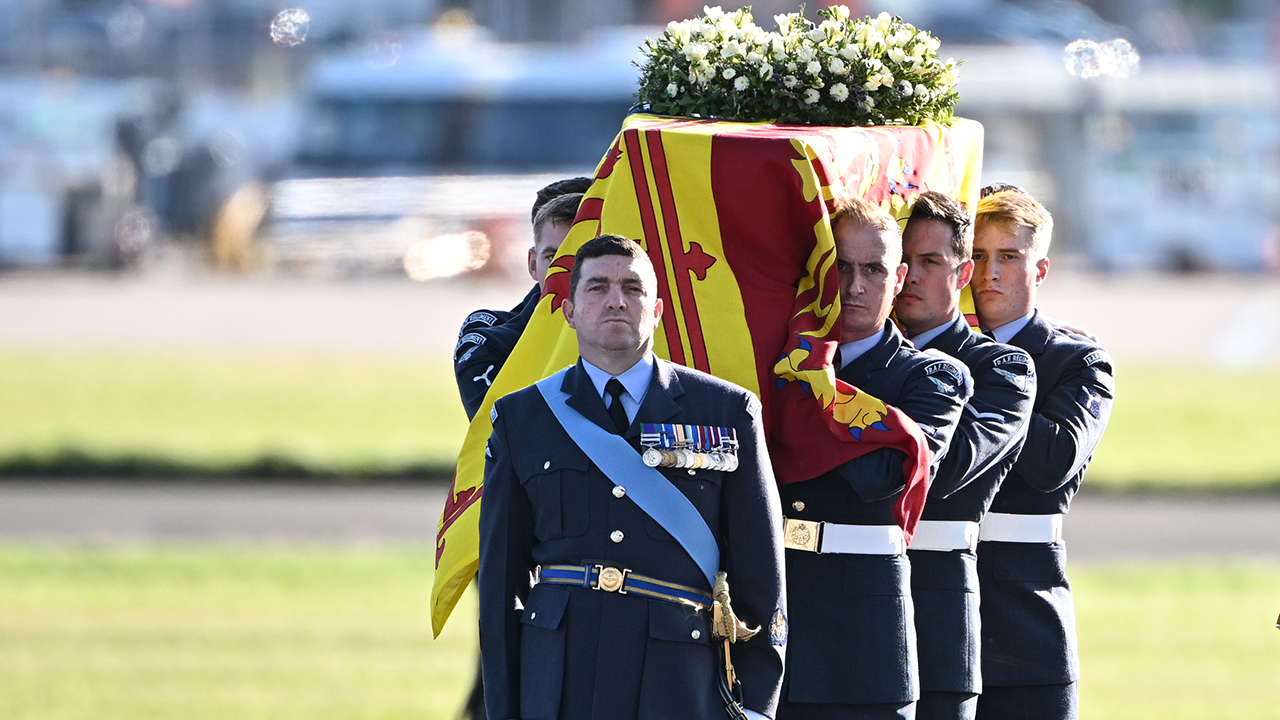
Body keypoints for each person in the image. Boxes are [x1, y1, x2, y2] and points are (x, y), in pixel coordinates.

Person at [478, 235, 787, 720]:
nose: (617, 300)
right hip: (558, 678)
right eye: (597, 287)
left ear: (659, 309)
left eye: (633, 288)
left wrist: (756, 707)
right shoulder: (523, 418)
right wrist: (504, 707)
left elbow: (761, 582)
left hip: (677, 679)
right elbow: (501, 587)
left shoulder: (726, 411)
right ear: (570, 312)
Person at [777, 197, 968, 720]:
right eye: (840, 267)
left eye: (874, 270)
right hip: (777, 622)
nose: (854, 286)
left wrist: (812, 383)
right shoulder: (780, 360)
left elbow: (881, 474)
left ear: (900, 276)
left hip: (863, 636)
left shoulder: (932, 376)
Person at [969, 189, 1114, 720]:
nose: (991, 273)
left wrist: (972, 369)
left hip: (1025, 625)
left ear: (1041, 268)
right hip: (933, 620)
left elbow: (1052, 462)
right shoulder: (922, 352)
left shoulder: (1076, 361)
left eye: (1009, 257)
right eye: (978, 256)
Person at [896, 192, 1036, 720]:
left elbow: (940, 472)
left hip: (938, 606)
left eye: (929, 262)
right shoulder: (848, 358)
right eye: (902, 262)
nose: (910, 276)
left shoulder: (1001, 368)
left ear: (962, 273)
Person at [455, 179, 587, 720]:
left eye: (580, 260)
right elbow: (516, 426)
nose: (565, 276)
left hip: (603, 539)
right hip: (521, 536)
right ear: (532, 261)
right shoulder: (490, 333)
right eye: (555, 258)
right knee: (504, 681)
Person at [454, 180, 589, 421]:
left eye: (584, 256)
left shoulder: (643, 330)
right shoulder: (491, 338)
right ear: (533, 263)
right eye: (554, 257)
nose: (568, 272)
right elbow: (513, 432)